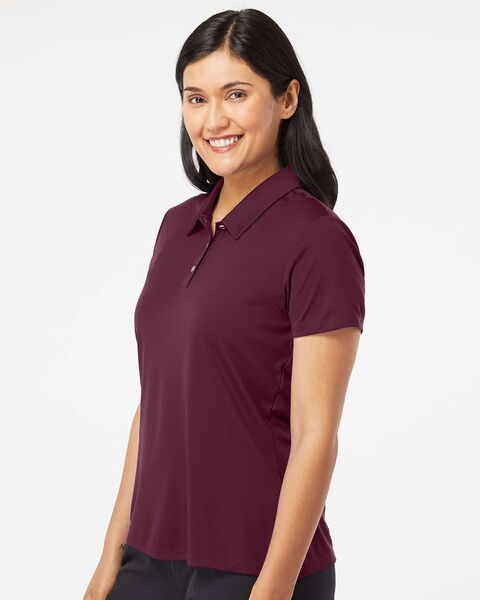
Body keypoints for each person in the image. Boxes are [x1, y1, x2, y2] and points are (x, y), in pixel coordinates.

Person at [83, 8, 365, 600]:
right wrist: (111, 557)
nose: (213, 120)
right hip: (149, 559)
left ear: (287, 99)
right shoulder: (176, 227)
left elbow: (315, 435)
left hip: (258, 565)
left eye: (236, 94)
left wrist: (273, 588)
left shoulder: (317, 241)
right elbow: (155, 404)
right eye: (196, 99)